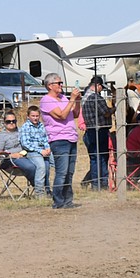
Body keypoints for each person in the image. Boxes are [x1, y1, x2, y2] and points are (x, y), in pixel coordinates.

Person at [40, 73, 82, 209]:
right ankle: (58, 201)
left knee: (70, 172)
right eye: (59, 83)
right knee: (62, 172)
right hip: (59, 139)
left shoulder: (63, 98)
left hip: (71, 138)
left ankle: (68, 200)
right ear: (50, 85)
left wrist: (77, 101)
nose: (61, 85)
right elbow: (62, 115)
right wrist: (72, 100)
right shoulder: (46, 101)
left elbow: (74, 114)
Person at [80, 75, 114, 190]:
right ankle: (103, 183)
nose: (102, 90)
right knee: (103, 157)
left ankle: (95, 184)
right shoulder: (96, 98)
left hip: (90, 130)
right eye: (101, 88)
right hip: (100, 130)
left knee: (94, 158)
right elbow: (106, 113)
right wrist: (114, 108)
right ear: (98, 85)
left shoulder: (85, 97)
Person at [0, 110, 38, 186]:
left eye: (14, 121)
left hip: (28, 154)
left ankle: (47, 189)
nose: (11, 123)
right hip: (11, 160)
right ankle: (39, 188)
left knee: (45, 164)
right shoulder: (1, 135)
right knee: (31, 167)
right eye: (8, 121)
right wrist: (12, 155)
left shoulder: (22, 130)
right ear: (4, 122)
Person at [18, 104, 53, 197]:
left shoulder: (41, 126)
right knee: (41, 167)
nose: (35, 118)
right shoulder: (25, 127)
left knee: (51, 165)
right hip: (32, 152)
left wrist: (47, 148)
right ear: (28, 116)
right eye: (33, 116)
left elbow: (45, 139)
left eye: (37, 116)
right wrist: (40, 151)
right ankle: (39, 193)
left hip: (44, 150)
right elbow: (25, 144)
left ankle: (49, 190)